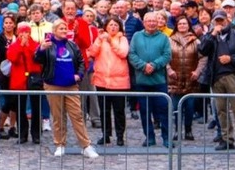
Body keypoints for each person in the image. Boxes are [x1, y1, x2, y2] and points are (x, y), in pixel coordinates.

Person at [37, 20, 98, 158]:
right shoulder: (48, 44)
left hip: (71, 85)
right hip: (53, 84)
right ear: (54, 30)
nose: (64, 31)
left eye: (65, 28)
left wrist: (79, 75)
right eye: (61, 28)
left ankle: (85, 145)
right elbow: (37, 59)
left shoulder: (72, 45)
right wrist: (41, 49)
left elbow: (81, 61)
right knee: (58, 116)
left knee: (77, 115)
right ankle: (60, 144)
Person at [199, 8, 235, 152]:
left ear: (227, 20)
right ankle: (226, 138)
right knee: (221, 110)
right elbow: (202, 50)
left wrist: (231, 58)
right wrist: (212, 34)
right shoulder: (210, 36)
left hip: (233, 75)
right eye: (216, 21)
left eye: (221, 20)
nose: (219, 23)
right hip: (216, 77)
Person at [128, 12, 173, 148]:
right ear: (144, 22)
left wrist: (154, 65)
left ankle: (166, 138)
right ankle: (150, 137)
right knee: (144, 112)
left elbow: (167, 55)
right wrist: (143, 66)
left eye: (154, 21)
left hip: (159, 81)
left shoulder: (164, 37)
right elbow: (132, 54)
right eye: (149, 21)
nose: (152, 23)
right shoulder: (137, 36)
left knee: (164, 111)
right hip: (142, 81)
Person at [88, 16, 131, 146]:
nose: (113, 27)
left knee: (119, 111)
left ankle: (119, 135)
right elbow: (92, 53)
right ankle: (105, 134)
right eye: (110, 25)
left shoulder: (122, 39)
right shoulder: (100, 39)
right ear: (106, 27)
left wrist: (111, 42)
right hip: (102, 80)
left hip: (119, 82)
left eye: (115, 25)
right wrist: (99, 41)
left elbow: (123, 53)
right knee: (104, 110)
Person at [166, 14, 205, 142]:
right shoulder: (169, 40)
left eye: (185, 24)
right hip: (175, 78)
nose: (182, 26)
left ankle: (188, 130)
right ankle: (177, 130)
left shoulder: (196, 41)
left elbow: (203, 58)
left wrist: (198, 71)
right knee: (176, 108)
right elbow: (165, 57)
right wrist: (169, 70)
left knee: (189, 107)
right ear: (177, 26)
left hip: (190, 78)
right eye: (180, 24)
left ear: (189, 26)